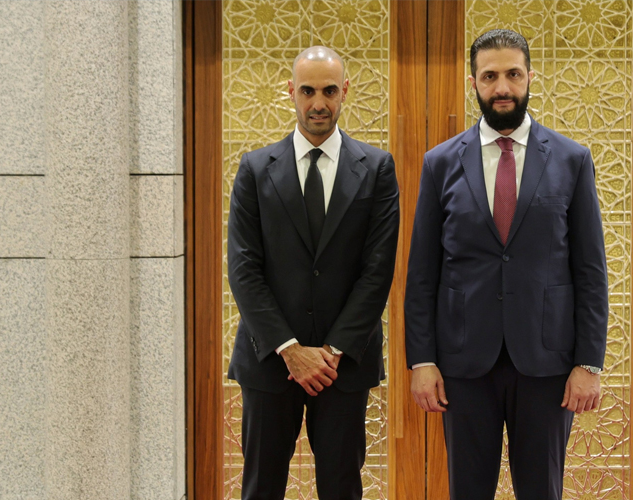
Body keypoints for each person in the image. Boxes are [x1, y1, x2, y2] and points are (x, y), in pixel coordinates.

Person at [404, 29, 608, 500]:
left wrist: (588, 362)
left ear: (531, 77)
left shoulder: (572, 160)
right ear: (472, 82)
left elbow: (590, 272)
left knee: (541, 491)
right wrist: (422, 360)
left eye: (513, 74)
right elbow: (422, 275)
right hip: (462, 363)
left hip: (547, 363)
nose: (502, 87)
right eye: (490, 76)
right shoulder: (439, 163)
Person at [227, 46, 399, 500]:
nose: (318, 103)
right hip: (270, 361)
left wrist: (332, 351)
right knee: (261, 488)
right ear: (290, 92)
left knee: (342, 488)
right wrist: (290, 350)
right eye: (307, 91)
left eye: (328, 91)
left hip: (343, 365)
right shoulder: (255, 169)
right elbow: (244, 268)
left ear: (345, 91)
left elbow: (377, 271)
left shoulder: (377, 169)